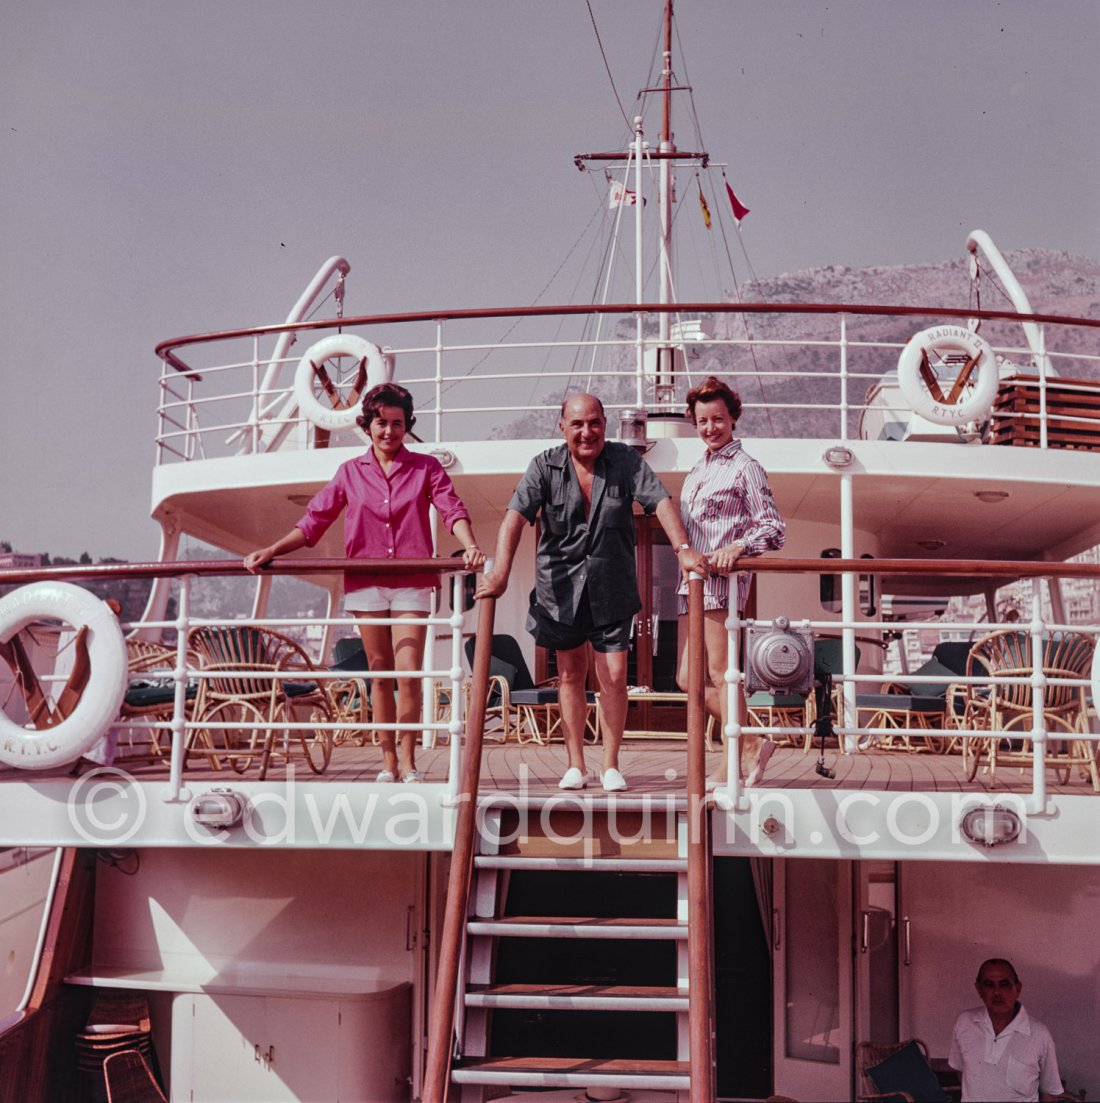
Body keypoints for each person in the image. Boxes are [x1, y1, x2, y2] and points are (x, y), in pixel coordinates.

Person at [244, 382, 485, 782]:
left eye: (397, 423)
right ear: (367, 425)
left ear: (407, 425)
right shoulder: (349, 473)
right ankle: (387, 762)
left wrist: (471, 546)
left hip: (411, 579)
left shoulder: (427, 468)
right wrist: (273, 550)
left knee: (407, 673)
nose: (389, 431)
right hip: (366, 583)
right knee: (380, 673)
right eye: (381, 423)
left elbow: (451, 509)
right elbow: (314, 521)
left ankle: (408, 762)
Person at [475, 392, 708, 792]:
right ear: (561, 425)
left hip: (611, 588)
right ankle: (576, 764)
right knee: (569, 673)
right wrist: (500, 573)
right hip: (559, 587)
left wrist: (684, 552)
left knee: (615, 676)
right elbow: (514, 519)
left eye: (594, 423)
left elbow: (661, 502)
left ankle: (611, 764)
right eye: (578, 424)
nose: (587, 432)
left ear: (605, 424)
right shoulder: (543, 467)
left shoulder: (626, 462)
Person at [675, 376, 785, 787]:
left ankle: (733, 758)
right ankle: (754, 740)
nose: (710, 428)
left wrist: (737, 547)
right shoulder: (697, 469)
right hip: (690, 585)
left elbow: (774, 528)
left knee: (722, 673)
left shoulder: (746, 468)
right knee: (688, 679)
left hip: (722, 583)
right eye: (702, 420)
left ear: (733, 419)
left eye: (718, 419)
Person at [949, 958, 1065, 1102]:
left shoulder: (1039, 1034)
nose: (997, 992)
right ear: (979, 989)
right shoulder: (964, 1022)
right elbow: (963, 1073)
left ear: (1018, 988)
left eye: (1004, 985)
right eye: (989, 985)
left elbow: (1050, 1093)